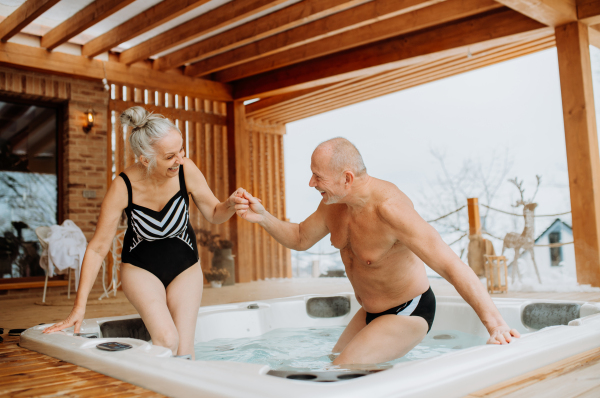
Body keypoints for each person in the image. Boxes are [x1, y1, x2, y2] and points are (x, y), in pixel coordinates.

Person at [235, 137, 520, 366]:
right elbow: (300, 238)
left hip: (409, 311)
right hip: (370, 311)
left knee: (338, 373)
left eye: (317, 176)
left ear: (347, 177)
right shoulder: (333, 204)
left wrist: (495, 325)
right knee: (331, 363)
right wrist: (263, 217)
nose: (311, 183)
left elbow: (450, 265)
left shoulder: (391, 210)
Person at [44, 106, 249, 360]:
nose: (180, 159)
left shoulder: (187, 170)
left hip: (185, 267)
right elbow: (98, 248)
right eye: (170, 156)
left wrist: (229, 204)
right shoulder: (123, 186)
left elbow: (215, 214)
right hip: (140, 269)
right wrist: (79, 307)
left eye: (181, 150)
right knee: (167, 340)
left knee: (184, 350)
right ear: (145, 159)